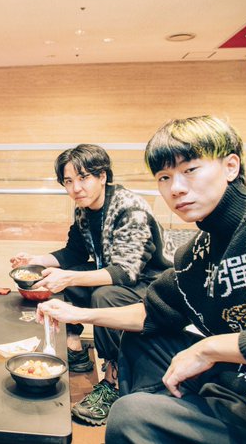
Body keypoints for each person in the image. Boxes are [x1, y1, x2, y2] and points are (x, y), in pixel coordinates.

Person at [37, 116, 246, 443]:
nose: (176, 188)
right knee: (140, 339)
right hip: (228, 372)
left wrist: (207, 349)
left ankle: (148, 416)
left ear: (231, 166)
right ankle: (164, 413)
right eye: (164, 177)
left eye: (190, 170)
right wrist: (78, 315)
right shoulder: (197, 250)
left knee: (129, 415)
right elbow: (153, 312)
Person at [10, 144, 173, 425]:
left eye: (83, 177)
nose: (76, 188)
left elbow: (125, 273)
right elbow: (74, 252)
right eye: (68, 181)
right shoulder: (84, 210)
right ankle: (74, 349)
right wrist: (37, 260)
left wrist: (68, 277)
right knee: (60, 276)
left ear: (102, 176)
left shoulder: (129, 208)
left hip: (152, 285)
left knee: (104, 295)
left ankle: (114, 382)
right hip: (117, 276)